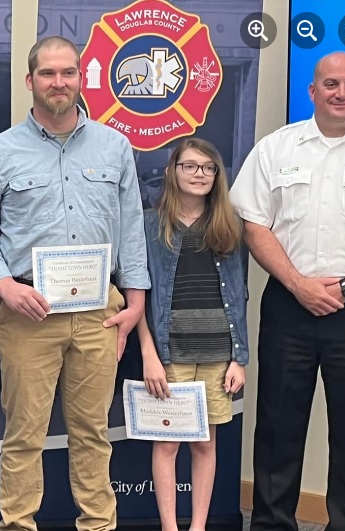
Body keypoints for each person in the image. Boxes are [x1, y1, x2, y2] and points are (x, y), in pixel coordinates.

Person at [0, 35, 149, 531]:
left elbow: (131, 229)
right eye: (48, 74)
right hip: (28, 311)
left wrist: (134, 304)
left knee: (93, 432)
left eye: (68, 73)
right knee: (25, 432)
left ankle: (98, 524)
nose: (59, 83)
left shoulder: (115, 147)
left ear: (81, 77)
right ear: (30, 82)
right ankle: (18, 523)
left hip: (98, 313)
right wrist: (4, 286)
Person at [231, 51, 345, 531]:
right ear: (312, 91)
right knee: (277, 428)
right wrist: (299, 286)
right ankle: (273, 524)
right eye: (331, 84)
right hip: (289, 307)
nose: (342, 93)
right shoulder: (277, 148)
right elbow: (254, 223)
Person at [134, 138, 248, 531]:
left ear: (217, 176)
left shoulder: (228, 225)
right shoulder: (149, 225)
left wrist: (239, 358)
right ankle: (170, 526)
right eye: (191, 166)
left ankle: (198, 526)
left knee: (205, 443)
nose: (200, 174)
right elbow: (137, 294)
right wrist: (150, 354)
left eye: (208, 168)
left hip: (217, 354)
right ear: (172, 171)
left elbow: (238, 293)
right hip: (170, 354)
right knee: (166, 444)